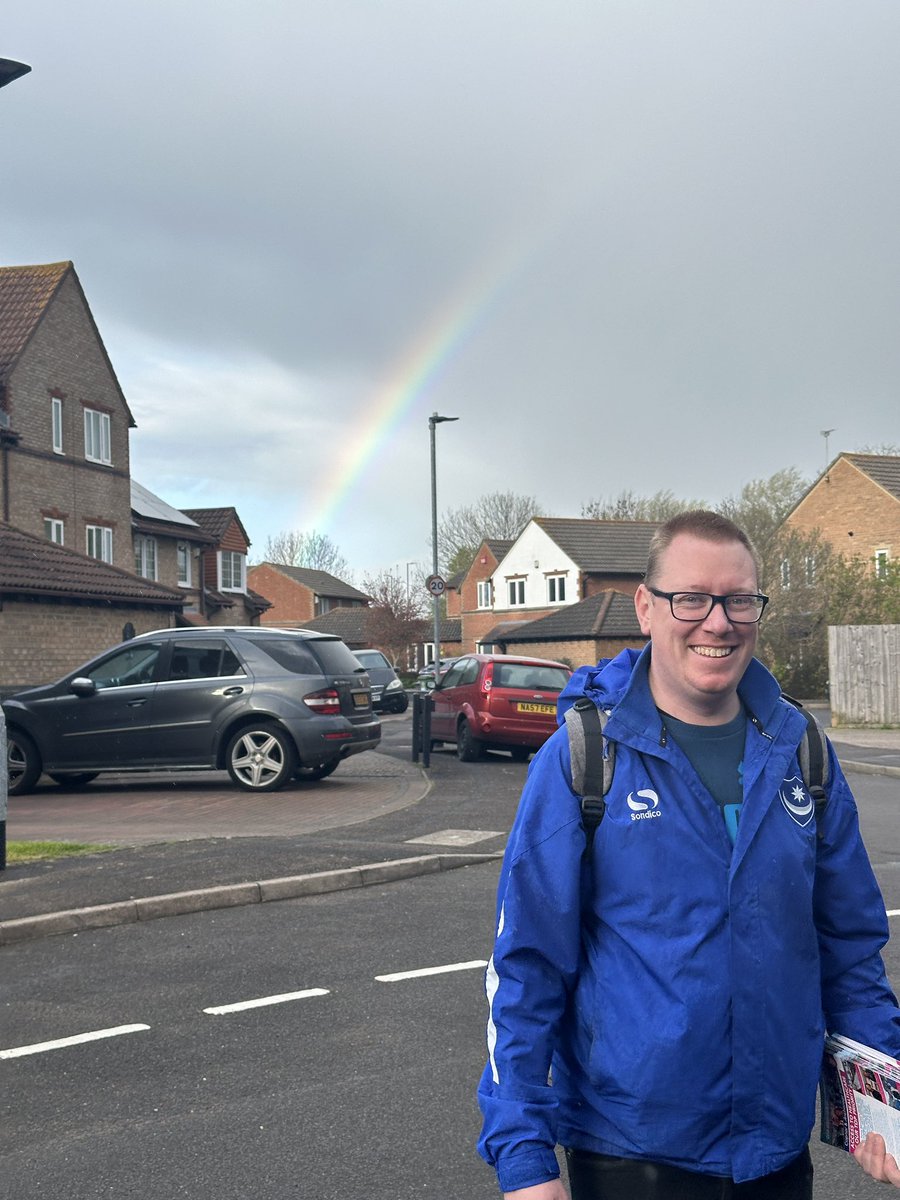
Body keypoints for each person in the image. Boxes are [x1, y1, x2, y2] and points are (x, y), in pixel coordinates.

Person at [477, 510, 900, 1198]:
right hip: (632, 1158)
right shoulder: (586, 759)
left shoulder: (803, 754)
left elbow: (848, 949)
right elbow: (525, 967)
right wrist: (524, 1159)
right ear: (646, 607)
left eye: (739, 599)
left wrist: (883, 1107)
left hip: (774, 1154)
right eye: (690, 598)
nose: (718, 621)